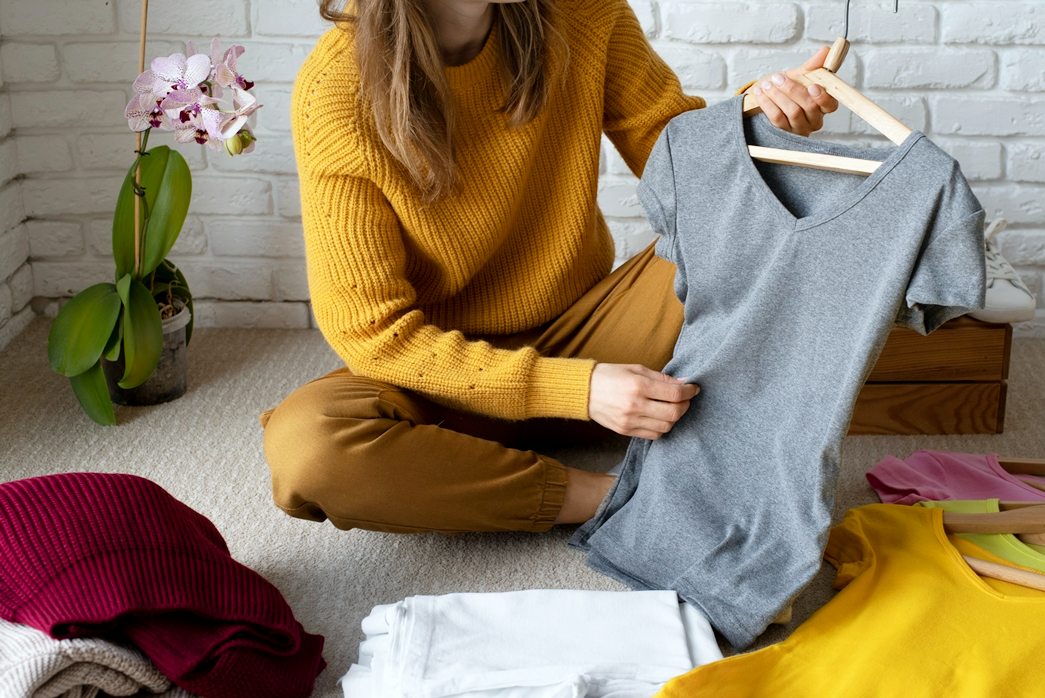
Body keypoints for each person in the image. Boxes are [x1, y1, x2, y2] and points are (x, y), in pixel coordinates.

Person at [260, 0, 837, 534]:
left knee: (773, 226)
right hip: (441, 373)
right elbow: (371, 331)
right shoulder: (338, 89)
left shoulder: (583, 12)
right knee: (309, 447)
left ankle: (730, 449)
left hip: (592, 333)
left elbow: (675, 157)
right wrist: (577, 391)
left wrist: (758, 120)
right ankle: (609, 495)